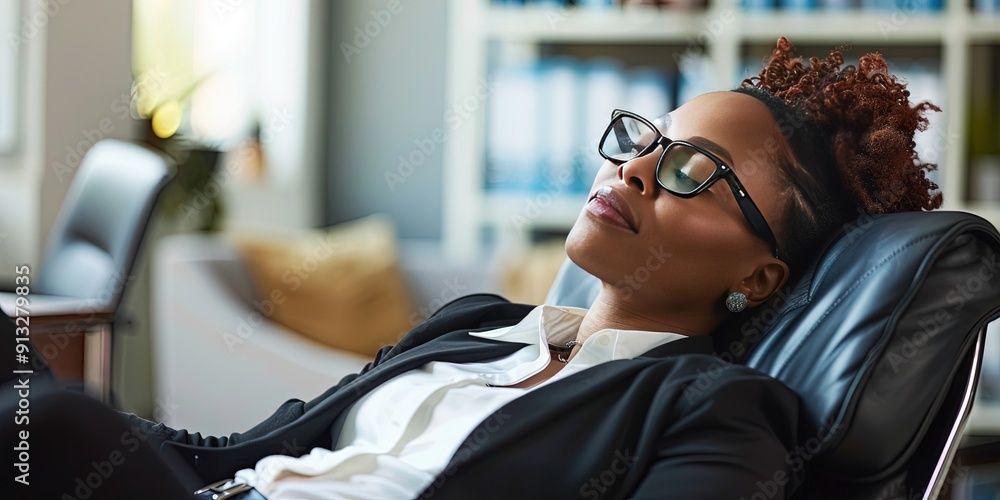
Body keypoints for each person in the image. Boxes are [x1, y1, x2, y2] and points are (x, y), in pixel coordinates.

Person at [1, 37, 941, 499]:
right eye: (649, 140)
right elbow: (246, 454)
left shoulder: (711, 408)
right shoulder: (477, 327)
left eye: (698, 171)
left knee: (55, 425)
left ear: (762, 279)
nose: (637, 167)